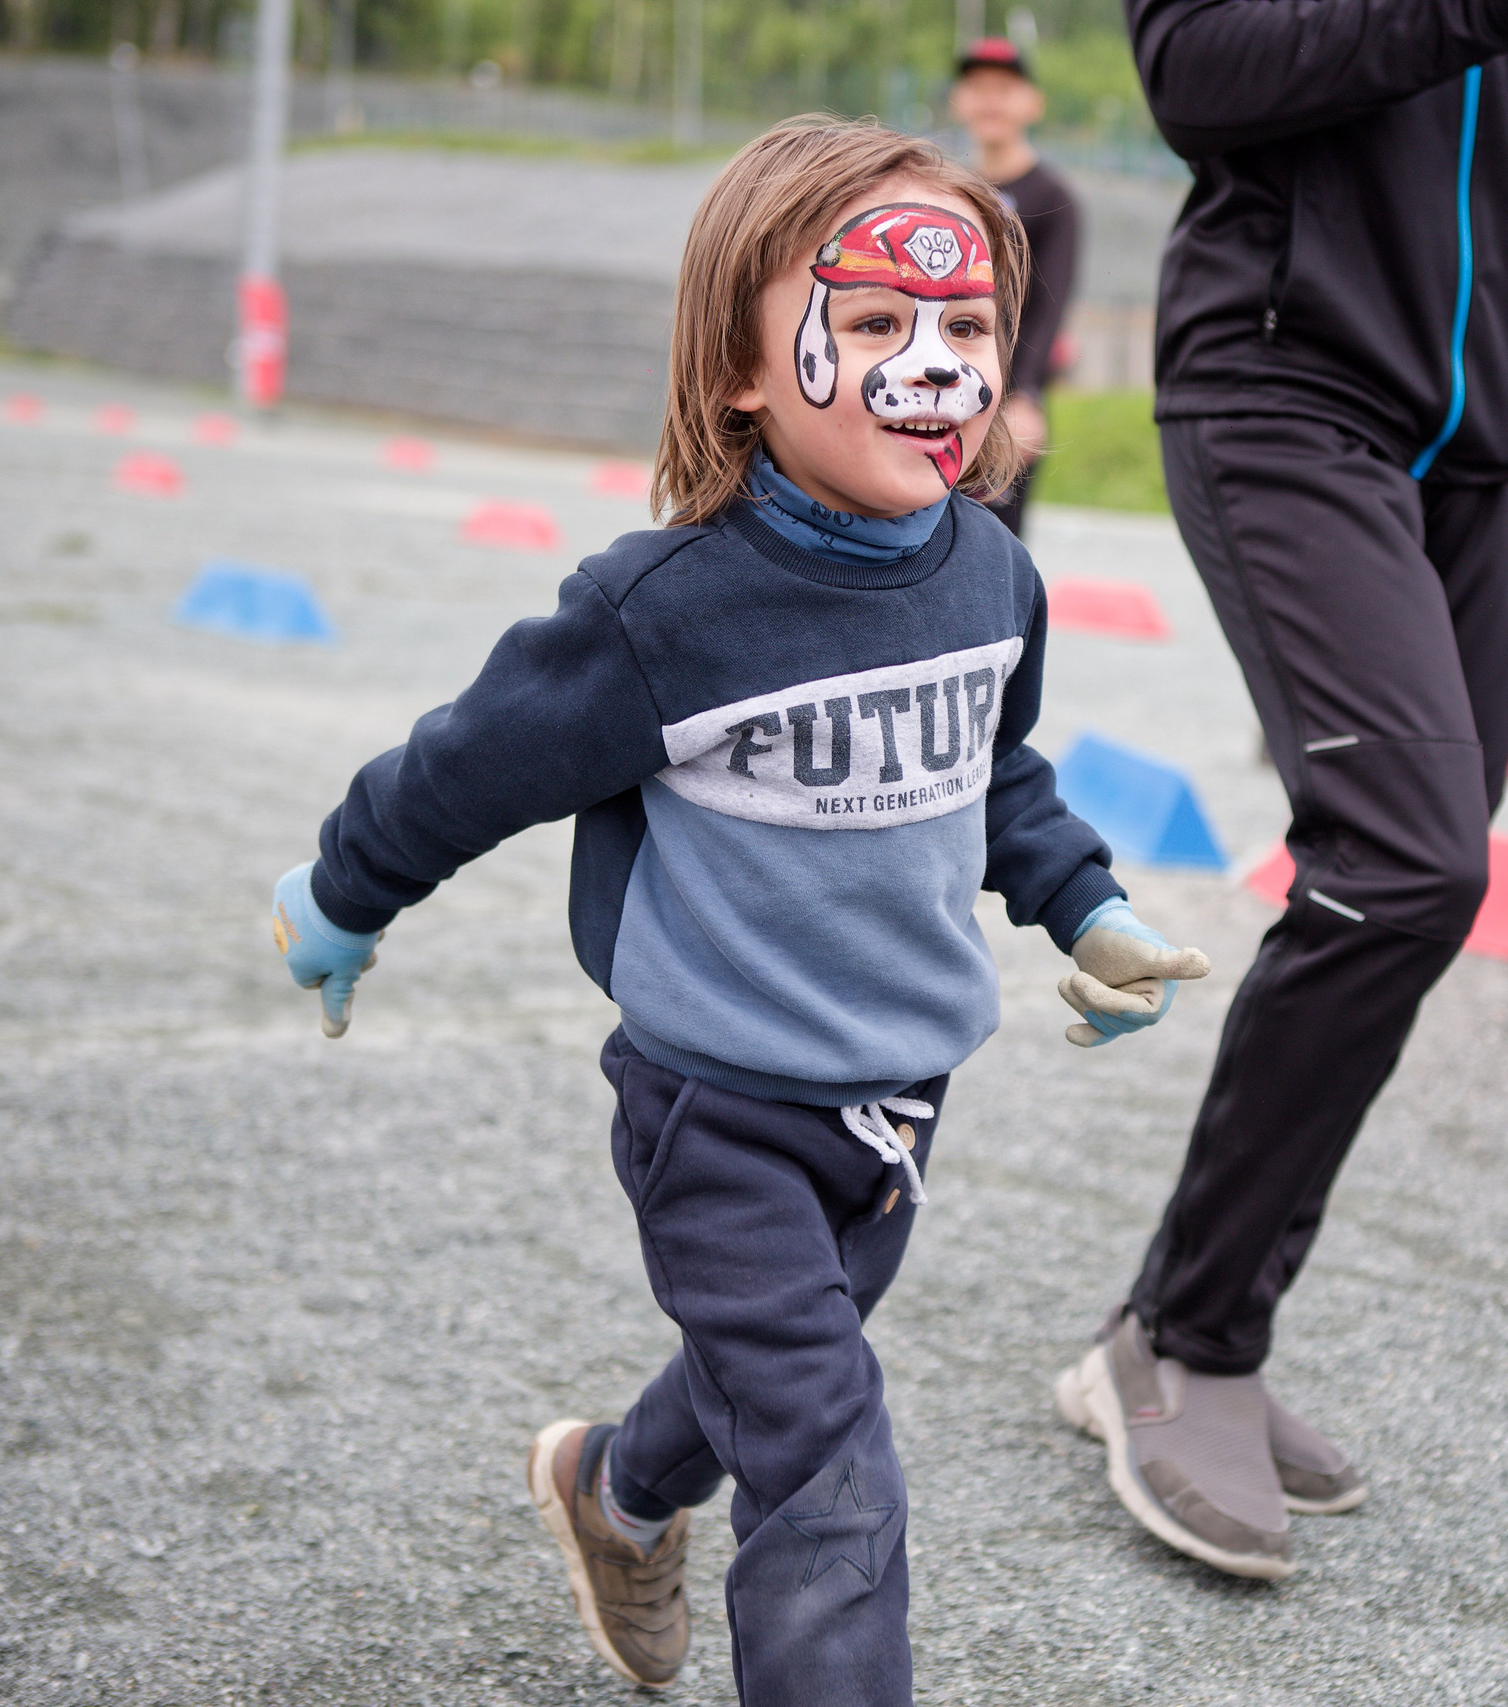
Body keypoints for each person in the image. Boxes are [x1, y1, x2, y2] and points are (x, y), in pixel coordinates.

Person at [263, 120, 1211, 1699]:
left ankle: (614, 1489)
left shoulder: (993, 574)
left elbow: (998, 774)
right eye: (874, 321)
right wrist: (340, 892)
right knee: (830, 1463)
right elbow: (465, 765)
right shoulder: (665, 614)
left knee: (772, 1372)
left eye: (967, 326)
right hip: (715, 1113)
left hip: (904, 1098)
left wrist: (1085, 904)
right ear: (741, 377)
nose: (935, 365)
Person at [1049, 0, 1508, 1580]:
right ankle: (1192, 1335)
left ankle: (1181, 1312)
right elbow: (1196, 75)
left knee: (1407, 882)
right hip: (1286, 385)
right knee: (1403, 865)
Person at [949, 36, 1080, 540]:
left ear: (1033, 103)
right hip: (943, 388)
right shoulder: (948, 188)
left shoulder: (1053, 197)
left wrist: (1026, 396)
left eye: (1004, 88)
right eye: (977, 87)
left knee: (993, 542)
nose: (989, 100)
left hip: (1006, 401)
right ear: (958, 100)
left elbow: (1050, 306)